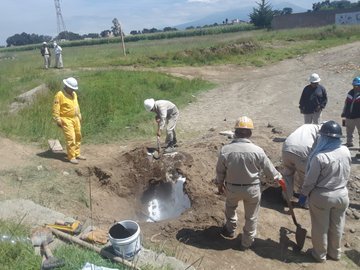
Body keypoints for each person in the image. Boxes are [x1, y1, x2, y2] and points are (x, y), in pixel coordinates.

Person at [215, 116, 282, 249]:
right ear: (250, 133)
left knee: (230, 208)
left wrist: (219, 185)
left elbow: (220, 171)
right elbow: (271, 172)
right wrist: (279, 179)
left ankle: (230, 229)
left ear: (235, 132)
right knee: (251, 217)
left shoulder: (226, 150)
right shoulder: (258, 151)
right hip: (252, 189)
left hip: (232, 188)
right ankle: (247, 242)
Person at [299, 121, 351, 263]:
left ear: (323, 137)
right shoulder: (346, 151)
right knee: (338, 225)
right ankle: (335, 253)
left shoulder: (319, 157)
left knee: (320, 226)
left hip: (323, 196)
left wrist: (303, 195)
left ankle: (319, 254)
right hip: (342, 194)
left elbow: (310, 181)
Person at [281, 124, 321, 204]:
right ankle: (305, 202)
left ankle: (286, 197)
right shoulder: (320, 131)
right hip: (302, 152)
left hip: (286, 148)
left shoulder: (306, 126)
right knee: (305, 179)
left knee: (287, 174)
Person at [52, 77, 85, 164]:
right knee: (71, 138)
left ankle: (77, 153)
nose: (73, 90)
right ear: (66, 86)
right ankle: (71, 156)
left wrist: (79, 115)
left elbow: (76, 105)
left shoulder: (74, 94)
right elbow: (56, 109)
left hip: (76, 118)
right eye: (71, 88)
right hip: (66, 120)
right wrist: (58, 120)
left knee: (78, 136)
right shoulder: (59, 95)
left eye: (74, 89)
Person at [341, 76, 360, 148]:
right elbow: (346, 103)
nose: (355, 87)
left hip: (358, 117)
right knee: (349, 130)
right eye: (354, 85)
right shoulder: (350, 93)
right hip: (349, 116)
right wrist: (344, 112)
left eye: (357, 85)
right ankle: (349, 143)